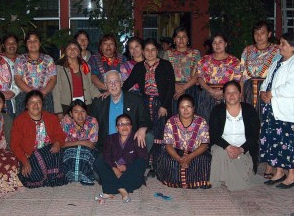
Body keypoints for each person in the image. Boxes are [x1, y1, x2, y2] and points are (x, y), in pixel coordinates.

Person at [260, 32, 294, 189]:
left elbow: (293, 88)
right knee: (275, 142)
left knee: (287, 144)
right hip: (272, 108)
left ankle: (292, 176)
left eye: (283, 44)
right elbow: (267, 80)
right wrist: (263, 92)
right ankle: (279, 172)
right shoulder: (278, 62)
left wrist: (272, 93)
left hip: (286, 112)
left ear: (293, 47)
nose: (279, 46)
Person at [122, 38, 175, 176]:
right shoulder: (139, 67)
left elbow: (170, 87)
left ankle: (158, 166)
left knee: (160, 133)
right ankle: (145, 163)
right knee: (146, 133)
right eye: (147, 50)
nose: (150, 53)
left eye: (153, 50)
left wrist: (164, 105)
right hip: (144, 104)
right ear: (143, 52)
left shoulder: (165, 65)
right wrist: (112, 92)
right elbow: (127, 84)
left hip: (161, 103)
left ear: (157, 51)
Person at [209, 81, 261, 191]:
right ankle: (227, 179)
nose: (231, 95)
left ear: (240, 94)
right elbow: (213, 134)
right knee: (219, 152)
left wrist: (241, 149)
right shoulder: (217, 110)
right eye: (228, 93)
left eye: (235, 92)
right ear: (224, 95)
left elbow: (254, 135)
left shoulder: (249, 110)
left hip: (243, 150)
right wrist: (227, 147)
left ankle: (226, 177)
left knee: (240, 175)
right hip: (222, 148)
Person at [10, 90, 68, 188]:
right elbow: (14, 144)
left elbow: (60, 135)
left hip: (49, 153)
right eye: (32, 102)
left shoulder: (51, 118)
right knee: (31, 175)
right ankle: (48, 176)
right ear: (26, 105)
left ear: (42, 104)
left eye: (39, 102)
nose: (36, 105)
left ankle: (48, 175)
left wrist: (58, 143)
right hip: (30, 156)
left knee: (62, 156)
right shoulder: (20, 121)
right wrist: (24, 161)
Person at [156, 94, 211, 188]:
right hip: (175, 151)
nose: (185, 110)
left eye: (188, 107)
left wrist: (189, 157)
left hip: (195, 152)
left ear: (193, 108)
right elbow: (168, 144)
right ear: (178, 109)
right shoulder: (171, 121)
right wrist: (178, 158)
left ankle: (196, 182)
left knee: (203, 160)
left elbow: (204, 144)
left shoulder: (201, 121)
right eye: (182, 107)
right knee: (169, 160)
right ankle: (175, 181)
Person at [90, 70, 152, 152]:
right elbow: (91, 125)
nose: (113, 85)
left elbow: (145, 119)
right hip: (106, 148)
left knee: (149, 137)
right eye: (110, 82)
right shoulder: (99, 103)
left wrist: (143, 128)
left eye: (116, 81)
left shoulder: (135, 100)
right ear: (105, 85)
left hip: (130, 147)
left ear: (121, 83)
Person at [95, 114, 147, 203]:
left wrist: (126, 167)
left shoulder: (137, 138)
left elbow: (143, 157)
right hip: (113, 171)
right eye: (121, 124)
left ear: (131, 126)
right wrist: (114, 168)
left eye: (127, 124)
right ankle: (123, 190)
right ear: (116, 128)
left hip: (130, 173)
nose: (124, 127)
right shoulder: (110, 138)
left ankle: (111, 189)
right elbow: (106, 155)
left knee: (141, 162)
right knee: (100, 159)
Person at [240, 21, 280, 122]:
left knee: (267, 120)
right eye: (256, 33)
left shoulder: (277, 50)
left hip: (267, 89)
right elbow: (242, 74)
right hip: (248, 90)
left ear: (269, 34)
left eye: (262, 32)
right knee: (249, 120)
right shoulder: (247, 50)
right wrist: (240, 93)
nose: (258, 36)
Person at [196, 33, 242, 121]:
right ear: (211, 45)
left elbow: (237, 80)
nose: (217, 45)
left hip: (227, 95)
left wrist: (223, 92)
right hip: (207, 94)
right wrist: (210, 90)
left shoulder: (234, 61)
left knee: (225, 122)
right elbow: (199, 77)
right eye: (214, 43)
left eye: (220, 42)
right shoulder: (204, 60)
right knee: (207, 122)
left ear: (225, 44)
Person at [52, 40, 100, 119]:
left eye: (75, 48)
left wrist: (100, 96)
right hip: (67, 105)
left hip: (85, 104)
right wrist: (59, 111)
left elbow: (90, 86)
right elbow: (56, 90)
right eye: (69, 48)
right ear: (65, 51)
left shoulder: (85, 66)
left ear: (79, 52)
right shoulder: (58, 68)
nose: (72, 50)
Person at [14, 32, 57, 114]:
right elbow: (18, 79)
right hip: (25, 97)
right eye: (29, 41)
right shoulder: (20, 59)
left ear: (40, 43)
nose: (32, 43)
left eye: (35, 40)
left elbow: (53, 79)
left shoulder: (49, 59)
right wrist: (32, 94)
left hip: (45, 97)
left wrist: (42, 93)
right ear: (26, 44)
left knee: (46, 123)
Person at [162, 26, 201, 115]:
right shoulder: (168, 54)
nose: (181, 39)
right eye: (178, 37)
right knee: (174, 117)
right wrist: (176, 87)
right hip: (172, 90)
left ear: (188, 39)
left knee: (190, 115)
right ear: (174, 40)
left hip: (190, 89)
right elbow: (165, 74)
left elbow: (198, 74)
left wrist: (183, 88)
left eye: (184, 37)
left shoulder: (195, 53)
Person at [60, 99, 99, 185]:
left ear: (86, 112)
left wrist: (81, 145)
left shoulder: (92, 121)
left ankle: (85, 174)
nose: (80, 115)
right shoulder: (66, 122)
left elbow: (92, 144)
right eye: (76, 112)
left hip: (87, 152)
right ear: (71, 114)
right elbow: (61, 144)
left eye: (83, 111)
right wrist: (80, 143)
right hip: (69, 151)